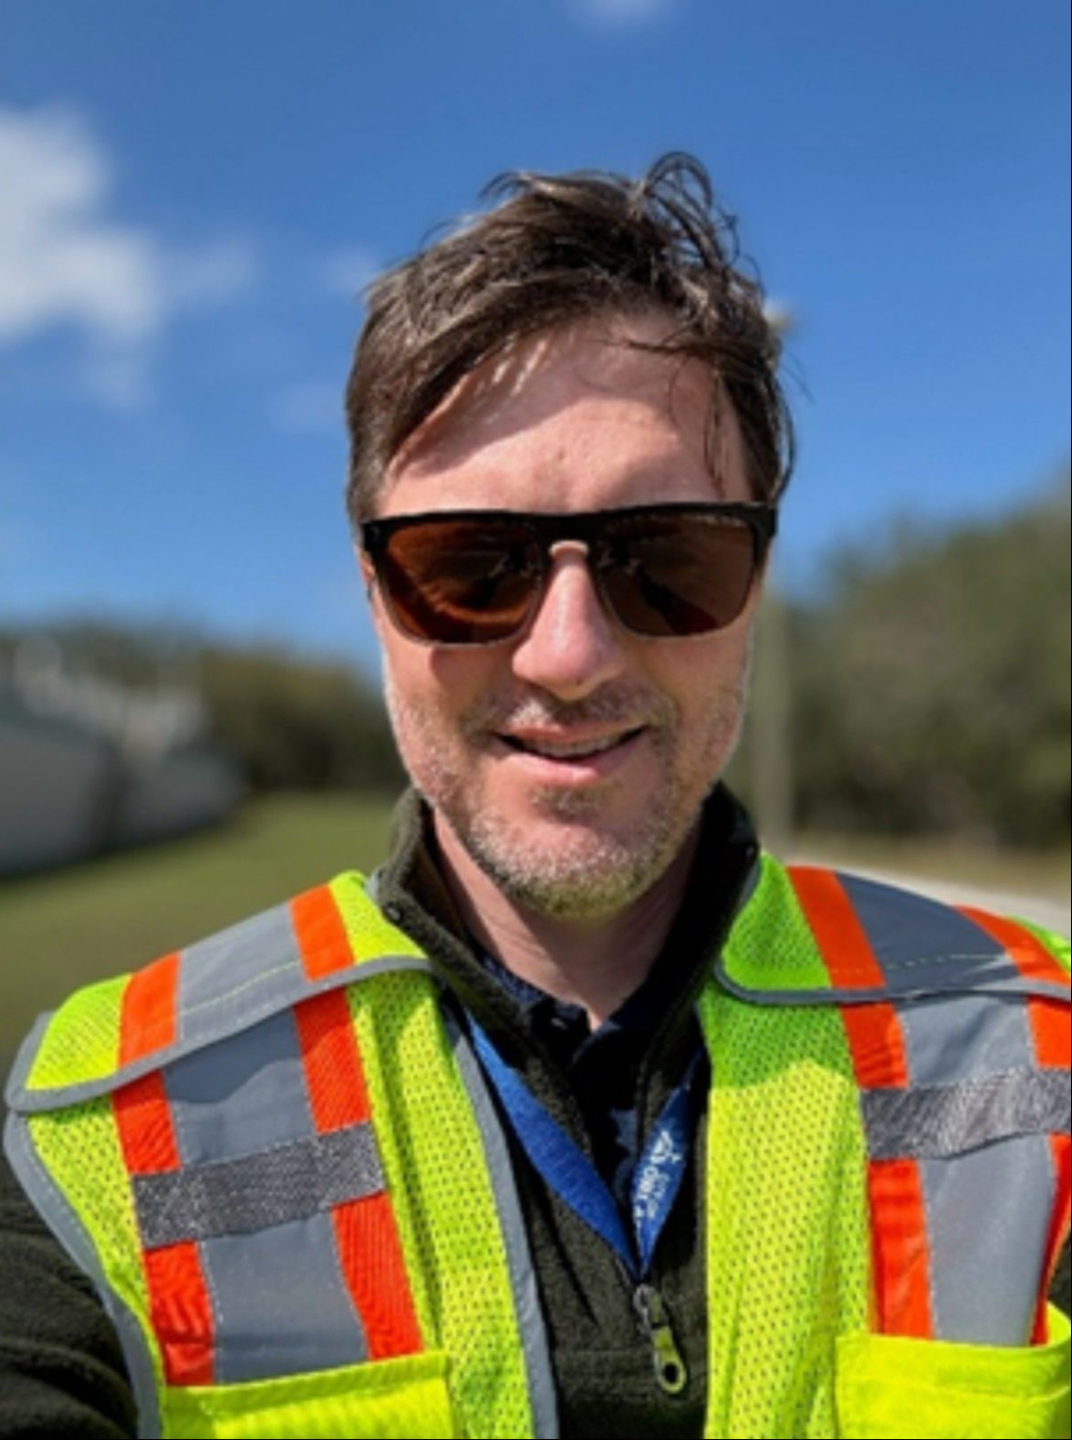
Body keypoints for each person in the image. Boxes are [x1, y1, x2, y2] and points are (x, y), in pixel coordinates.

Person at [2, 154, 1069, 1440]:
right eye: (470, 565)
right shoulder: (97, 1117)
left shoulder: (1040, 1047)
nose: (568, 654)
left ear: (754, 584)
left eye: (668, 557)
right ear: (373, 595)